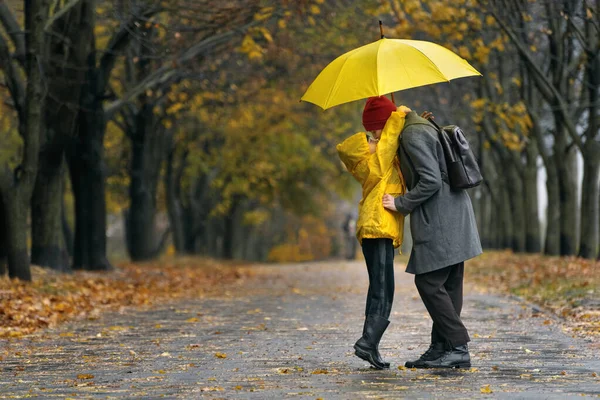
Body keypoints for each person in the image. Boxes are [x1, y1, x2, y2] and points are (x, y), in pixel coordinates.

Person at [382, 110, 482, 369]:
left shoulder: (412, 133)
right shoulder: (419, 126)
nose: (378, 137)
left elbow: (431, 180)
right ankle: (442, 348)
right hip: (454, 212)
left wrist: (400, 203)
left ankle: (458, 346)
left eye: (377, 131)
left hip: (442, 217)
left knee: (428, 281)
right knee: (449, 285)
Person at [336, 96, 409, 369]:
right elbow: (389, 144)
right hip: (376, 227)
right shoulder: (371, 160)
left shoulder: (373, 155)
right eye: (372, 138)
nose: (374, 141)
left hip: (378, 228)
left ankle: (371, 345)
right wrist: (398, 116)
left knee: (382, 287)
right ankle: (367, 343)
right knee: (382, 288)